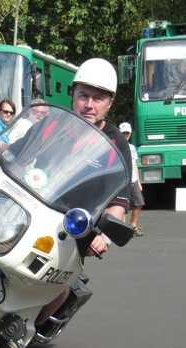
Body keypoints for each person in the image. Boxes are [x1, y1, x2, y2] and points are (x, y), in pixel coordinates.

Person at [35, 58, 133, 326]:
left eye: (98, 98)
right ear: (73, 95)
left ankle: (27, 331)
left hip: (72, 226)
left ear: (109, 103)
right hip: (32, 207)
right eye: (83, 96)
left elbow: (119, 201)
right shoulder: (52, 125)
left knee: (58, 286)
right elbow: (15, 151)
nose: (89, 104)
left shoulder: (116, 145)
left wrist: (104, 234)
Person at [119, 122, 144, 236]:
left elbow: (134, 164)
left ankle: (133, 225)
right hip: (121, 181)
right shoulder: (115, 145)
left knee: (139, 203)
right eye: (123, 133)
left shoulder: (132, 148)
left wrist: (139, 182)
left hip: (133, 180)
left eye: (127, 133)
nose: (125, 135)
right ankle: (122, 228)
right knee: (122, 205)